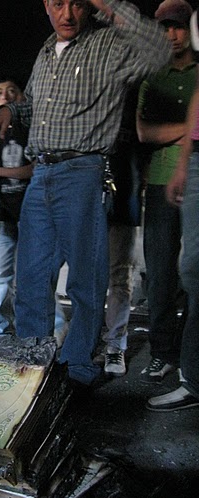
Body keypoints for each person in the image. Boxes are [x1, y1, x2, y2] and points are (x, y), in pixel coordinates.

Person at [0, 0, 171, 387]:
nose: (68, 14)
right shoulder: (45, 51)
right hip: (40, 174)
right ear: (44, 5)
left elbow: (159, 48)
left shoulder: (109, 44)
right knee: (31, 277)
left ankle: (76, 370)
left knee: (86, 281)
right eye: (58, 4)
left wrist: (106, 4)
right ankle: (32, 368)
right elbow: (42, 107)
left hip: (83, 171)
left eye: (76, 3)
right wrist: (14, 111)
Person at [136, 0, 196, 384]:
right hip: (158, 184)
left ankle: (191, 356)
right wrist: (191, 127)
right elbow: (144, 133)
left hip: (194, 181)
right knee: (160, 275)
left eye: (176, 27)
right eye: (164, 28)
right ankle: (162, 353)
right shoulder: (151, 78)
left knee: (193, 274)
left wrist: (174, 131)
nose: (170, 35)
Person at [0, 78, 68, 341]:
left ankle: (53, 329)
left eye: (12, 91)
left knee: (36, 275)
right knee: (0, 277)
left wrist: (0, 171)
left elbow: (34, 168)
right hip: (4, 215)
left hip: (32, 214)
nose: (6, 96)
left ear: (22, 97)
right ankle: (2, 331)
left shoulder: (32, 128)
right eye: (0, 92)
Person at [100, 84, 145, 378]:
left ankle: (115, 345)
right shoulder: (94, 92)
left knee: (120, 278)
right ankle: (89, 341)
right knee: (87, 279)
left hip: (126, 200)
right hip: (90, 201)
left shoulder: (138, 93)